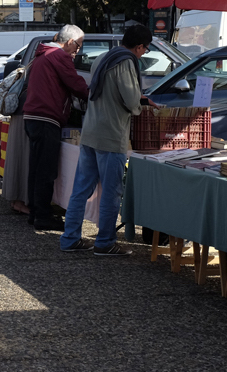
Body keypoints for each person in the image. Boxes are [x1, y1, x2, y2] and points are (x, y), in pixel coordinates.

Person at [58, 25, 157, 256]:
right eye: (145, 49)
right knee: (112, 192)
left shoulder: (103, 57)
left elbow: (109, 90)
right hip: (111, 135)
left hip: (90, 130)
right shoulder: (126, 61)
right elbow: (131, 101)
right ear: (139, 46)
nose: (143, 53)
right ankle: (105, 242)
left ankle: (70, 238)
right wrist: (142, 105)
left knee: (81, 189)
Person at [21, 25, 88, 231]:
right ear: (69, 42)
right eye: (78, 45)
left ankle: (35, 212)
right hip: (46, 117)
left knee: (36, 167)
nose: (78, 50)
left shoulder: (43, 54)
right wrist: (95, 94)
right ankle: (42, 215)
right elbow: (76, 85)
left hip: (34, 116)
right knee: (46, 170)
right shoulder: (59, 57)